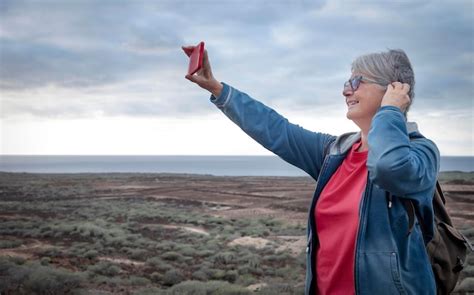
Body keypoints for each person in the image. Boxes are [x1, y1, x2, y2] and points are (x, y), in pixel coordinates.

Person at [182, 45, 439, 295]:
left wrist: (391, 111)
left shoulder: (420, 154)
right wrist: (216, 88)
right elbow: (276, 129)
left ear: (393, 89)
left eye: (356, 81)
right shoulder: (335, 153)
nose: (345, 91)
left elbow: (388, 168)